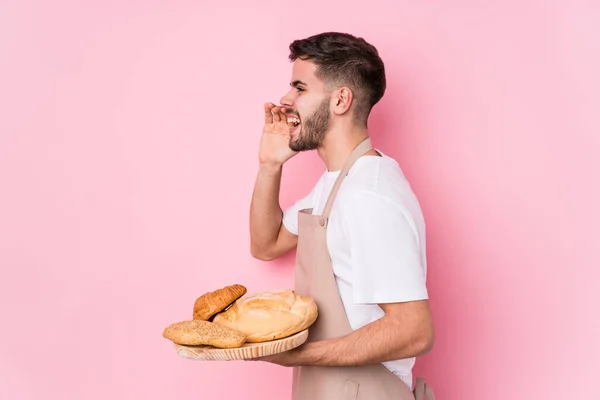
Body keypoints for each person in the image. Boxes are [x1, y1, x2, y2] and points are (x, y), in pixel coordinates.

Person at [248, 32, 436, 400]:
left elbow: (414, 330)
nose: (286, 100)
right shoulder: (335, 185)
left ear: (341, 100)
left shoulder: (369, 195)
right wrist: (269, 165)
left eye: (300, 88)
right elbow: (266, 244)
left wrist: (297, 355)